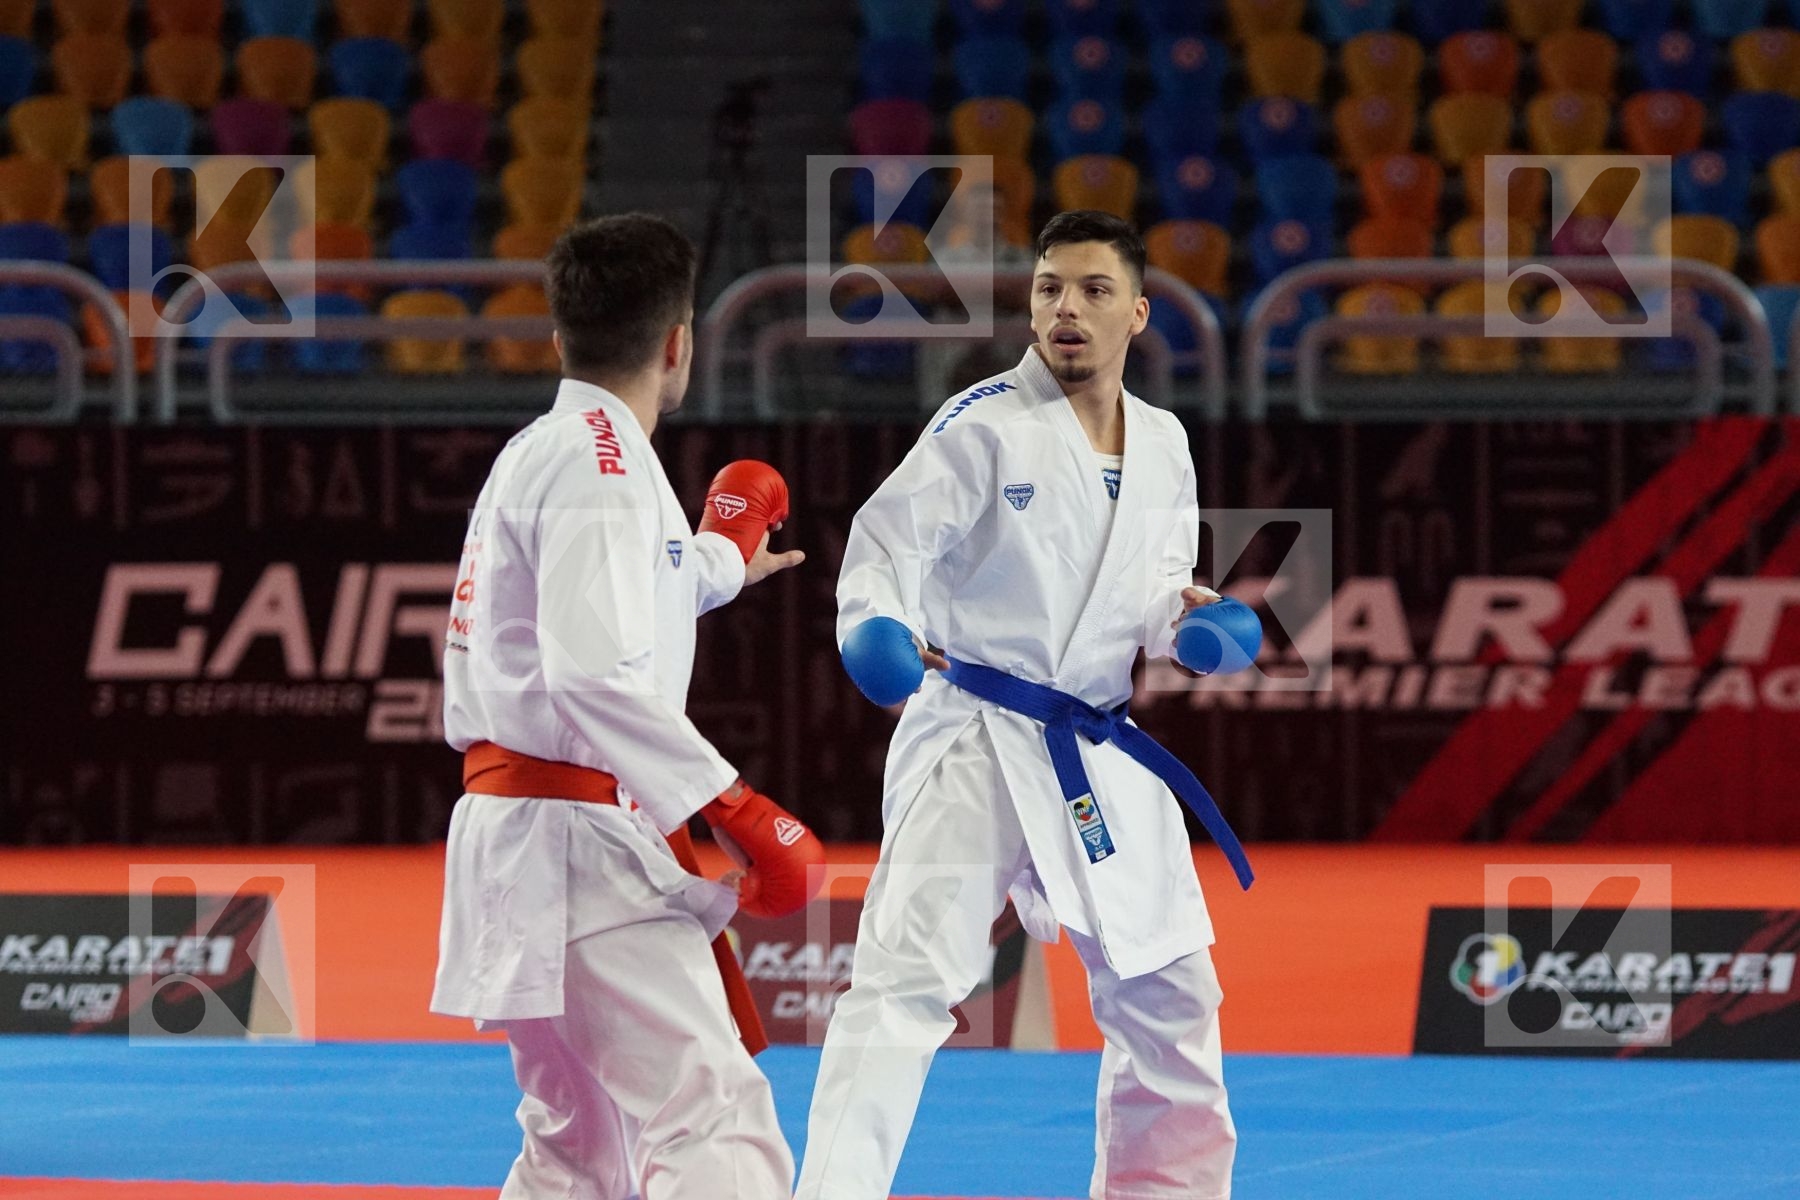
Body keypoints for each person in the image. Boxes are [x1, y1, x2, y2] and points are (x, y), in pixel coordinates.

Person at [797, 210, 1255, 1200]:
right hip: (976, 734)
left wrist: (1189, 623)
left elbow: (1151, 589)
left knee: (1170, 993)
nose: (1067, 310)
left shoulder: (1165, 442)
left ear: (1137, 313)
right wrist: (872, 626)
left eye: (1093, 290)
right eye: (1050, 289)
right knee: (902, 987)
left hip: (1097, 742)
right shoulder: (980, 425)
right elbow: (883, 552)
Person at [430, 212, 822, 1200]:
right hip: (573, 844)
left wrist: (724, 553)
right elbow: (591, 669)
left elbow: (631, 592)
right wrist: (730, 804)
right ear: (679, 342)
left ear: (560, 336)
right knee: (713, 1115)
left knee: (578, 1152)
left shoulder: (552, 447)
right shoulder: (601, 464)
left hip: (525, 833)